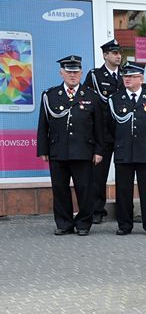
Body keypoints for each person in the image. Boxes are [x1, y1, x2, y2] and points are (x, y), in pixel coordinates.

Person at [36, 55, 104, 236]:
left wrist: (99, 151)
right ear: (61, 73)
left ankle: (83, 223)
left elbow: (99, 127)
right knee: (60, 189)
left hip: (83, 151)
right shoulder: (50, 96)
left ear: (81, 73)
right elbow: (43, 125)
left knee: (85, 189)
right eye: (68, 71)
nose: (72, 75)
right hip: (58, 150)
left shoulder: (91, 96)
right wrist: (43, 149)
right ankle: (64, 223)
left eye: (76, 72)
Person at [107, 63, 146, 236]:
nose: (127, 79)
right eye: (125, 76)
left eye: (131, 76)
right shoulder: (115, 99)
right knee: (123, 191)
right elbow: (110, 126)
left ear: (141, 78)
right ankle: (124, 225)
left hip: (145, 150)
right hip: (124, 151)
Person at [84, 39, 123, 224]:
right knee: (98, 175)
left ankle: (125, 211)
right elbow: (87, 104)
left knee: (125, 174)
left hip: (123, 133)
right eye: (114, 53)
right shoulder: (95, 76)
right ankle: (96, 210)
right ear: (105, 55)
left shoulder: (126, 75)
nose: (118, 56)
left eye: (119, 53)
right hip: (103, 133)